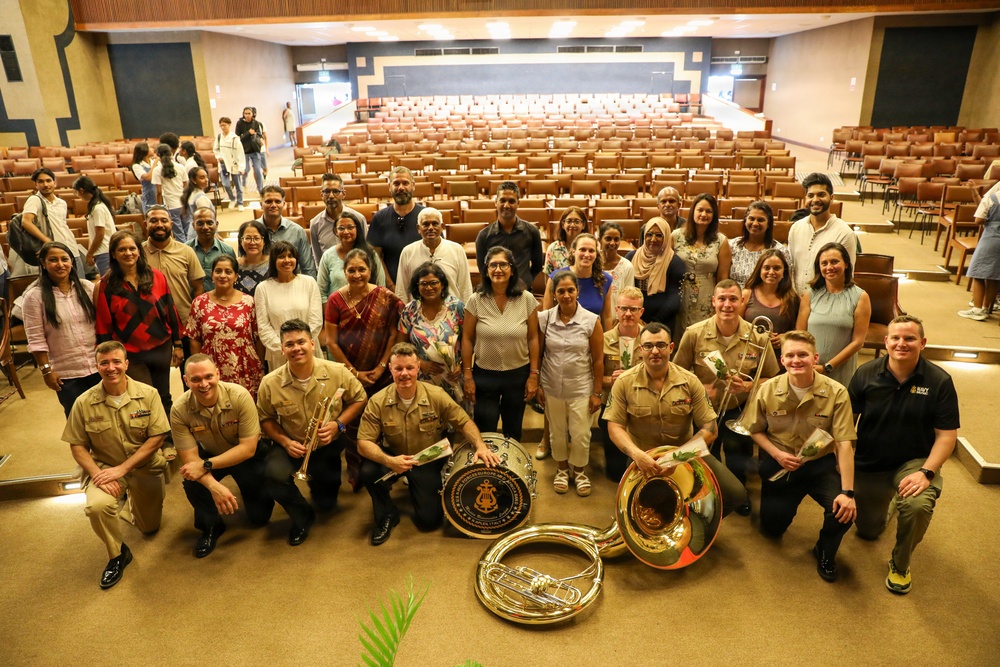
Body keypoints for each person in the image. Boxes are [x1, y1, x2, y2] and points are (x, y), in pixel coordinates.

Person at [849, 315, 960, 594]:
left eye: (910, 338)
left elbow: (946, 436)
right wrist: (845, 460)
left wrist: (926, 472)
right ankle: (890, 502)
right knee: (867, 531)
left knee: (917, 504)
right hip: (871, 460)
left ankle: (900, 564)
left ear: (922, 343)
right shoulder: (865, 374)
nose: (902, 343)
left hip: (915, 462)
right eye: (896, 338)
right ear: (886, 341)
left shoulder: (939, 381)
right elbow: (847, 424)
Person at [357, 342, 500, 545]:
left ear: (418, 367)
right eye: (398, 368)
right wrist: (389, 461)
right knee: (369, 471)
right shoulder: (378, 401)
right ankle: (387, 514)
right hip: (393, 456)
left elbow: (464, 422)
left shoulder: (436, 395)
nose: (404, 373)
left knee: (429, 521)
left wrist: (481, 446)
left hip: (426, 458)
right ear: (390, 369)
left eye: (409, 368)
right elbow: (363, 443)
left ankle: (420, 491)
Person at [745, 330, 857, 582]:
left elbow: (844, 443)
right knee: (772, 529)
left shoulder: (837, 392)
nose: (796, 360)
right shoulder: (767, 389)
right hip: (780, 462)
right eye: (790, 355)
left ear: (815, 358)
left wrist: (848, 492)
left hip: (819, 464)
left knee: (843, 511)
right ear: (782, 360)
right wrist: (777, 454)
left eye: (803, 355)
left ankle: (825, 551)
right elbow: (755, 430)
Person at [603, 322, 748, 516]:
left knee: (736, 493)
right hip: (645, 457)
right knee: (648, 511)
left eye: (661, 345)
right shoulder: (624, 382)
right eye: (648, 346)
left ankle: (692, 520)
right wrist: (637, 455)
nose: (655, 351)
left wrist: (678, 457)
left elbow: (710, 429)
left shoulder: (690, 381)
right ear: (640, 349)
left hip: (685, 452)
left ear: (671, 347)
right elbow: (615, 427)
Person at [62, 341, 169, 589]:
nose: (111, 368)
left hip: (144, 468)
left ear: (126, 364)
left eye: (116, 362)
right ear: (96, 366)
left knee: (149, 528)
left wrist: (124, 469)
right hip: (106, 469)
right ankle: (117, 554)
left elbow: (157, 438)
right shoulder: (83, 402)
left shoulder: (148, 394)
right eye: (104, 363)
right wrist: (97, 474)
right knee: (96, 507)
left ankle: (128, 506)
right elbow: (77, 446)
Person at [257, 319, 367, 546]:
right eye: (289, 344)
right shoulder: (270, 382)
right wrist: (285, 442)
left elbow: (360, 398)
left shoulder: (337, 371)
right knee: (272, 475)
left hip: (326, 445)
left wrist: (338, 425)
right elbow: (266, 419)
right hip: (291, 444)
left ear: (312, 343)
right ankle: (302, 516)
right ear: (282, 349)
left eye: (301, 342)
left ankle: (320, 490)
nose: (296, 348)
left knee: (327, 503)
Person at [673, 280, 780, 511]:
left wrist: (748, 386)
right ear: (713, 301)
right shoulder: (694, 333)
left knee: (738, 456)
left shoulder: (758, 336)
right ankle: (705, 496)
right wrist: (698, 388)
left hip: (739, 408)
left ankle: (738, 495)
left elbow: (773, 379)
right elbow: (676, 375)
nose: (727, 305)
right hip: (703, 409)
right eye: (722, 299)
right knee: (704, 456)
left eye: (733, 299)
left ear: (742, 302)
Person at [171, 354, 273, 558]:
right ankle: (211, 526)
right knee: (191, 481)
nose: (204, 384)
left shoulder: (239, 396)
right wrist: (214, 486)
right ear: (186, 380)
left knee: (260, 518)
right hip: (209, 452)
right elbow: (190, 459)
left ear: (218, 374)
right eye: (196, 379)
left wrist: (206, 465)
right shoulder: (179, 410)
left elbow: (248, 448)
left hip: (245, 455)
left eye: (208, 376)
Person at [324, 249, 404, 484]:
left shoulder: (385, 297)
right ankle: (356, 472)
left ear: (371, 271)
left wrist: (381, 367)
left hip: (383, 373)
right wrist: (354, 373)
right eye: (351, 270)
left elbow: (394, 334)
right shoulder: (335, 300)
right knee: (353, 422)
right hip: (349, 372)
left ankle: (388, 470)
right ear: (344, 272)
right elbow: (331, 342)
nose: (357, 274)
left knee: (385, 419)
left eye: (362, 269)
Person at [95, 229, 183, 420]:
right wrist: (106, 355)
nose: (128, 253)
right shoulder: (106, 285)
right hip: (130, 353)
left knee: (163, 396)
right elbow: (103, 322)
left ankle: (168, 435)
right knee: (142, 399)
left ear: (139, 251)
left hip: (161, 347)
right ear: (113, 254)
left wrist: (177, 343)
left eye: (132, 248)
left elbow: (170, 310)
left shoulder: (156, 276)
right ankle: (149, 434)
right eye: (122, 249)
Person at [462, 246, 540, 443]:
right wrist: (468, 376)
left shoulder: (526, 299)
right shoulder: (476, 300)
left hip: (518, 374)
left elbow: (533, 338)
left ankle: (510, 462)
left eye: (503, 265)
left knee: (513, 429)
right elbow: (467, 339)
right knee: (485, 428)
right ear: (486, 270)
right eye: (493, 265)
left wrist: (533, 374)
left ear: (512, 270)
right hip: (485, 374)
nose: (498, 269)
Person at [538, 270, 604, 496]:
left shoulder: (591, 320)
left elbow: (598, 360)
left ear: (577, 292)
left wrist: (597, 393)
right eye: (561, 291)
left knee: (581, 433)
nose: (566, 295)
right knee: (557, 432)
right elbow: (538, 354)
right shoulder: (544, 318)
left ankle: (580, 471)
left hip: (581, 387)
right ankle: (562, 469)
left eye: (570, 290)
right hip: (551, 386)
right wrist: (538, 384)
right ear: (554, 294)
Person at [23, 242, 100, 417]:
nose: (60, 264)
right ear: (43, 263)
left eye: (64, 259)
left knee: (106, 417)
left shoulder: (87, 287)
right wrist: (46, 371)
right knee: (78, 420)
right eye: (53, 260)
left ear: (72, 262)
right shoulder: (34, 297)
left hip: (98, 367)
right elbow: (36, 338)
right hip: (67, 373)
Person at [185, 255, 265, 398]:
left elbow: (258, 337)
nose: (223, 276)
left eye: (228, 272)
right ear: (212, 275)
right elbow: (194, 339)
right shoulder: (199, 303)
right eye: (218, 271)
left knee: (244, 404)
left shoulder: (249, 302)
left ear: (236, 277)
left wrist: (259, 364)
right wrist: (199, 367)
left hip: (245, 365)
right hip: (211, 365)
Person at [797, 242, 871, 387]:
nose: (829, 267)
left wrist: (828, 367)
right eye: (824, 263)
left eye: (834, 262)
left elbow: (858, 342)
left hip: (840, 369)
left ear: (846, 264)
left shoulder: (860, 297)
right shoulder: (810, 295)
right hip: (810, 368)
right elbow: (800, 334)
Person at [141, 205, 205, 361]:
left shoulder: (186, 251)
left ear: (171, 223)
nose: (159, 225)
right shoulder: (138, 253)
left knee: (189, 370)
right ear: (145, 224)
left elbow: (198, 288)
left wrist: (196, 320)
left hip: (185, 322)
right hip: (150, 325)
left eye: (164, 220)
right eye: (154, 221)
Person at [397, 261, 466, 403]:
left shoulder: (456, 306)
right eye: (423, 284)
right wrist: (419, 362)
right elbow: (400, 346)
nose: (429, 287)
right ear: (417, 286)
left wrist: (462, 365)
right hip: (422, 378)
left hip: (454, 377)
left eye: (433, 283)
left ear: (442, 284)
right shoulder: (410, 310)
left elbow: (469, 339)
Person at [598, 286, 644, 482]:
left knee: (642, 471)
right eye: (624, 308)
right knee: (615, 474)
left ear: (641, 312)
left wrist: (634, 378)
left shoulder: (651, 339)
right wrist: (610, 380)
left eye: (633, 309)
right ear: (616, 310)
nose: (628, 314)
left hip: (642, 408)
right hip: (612, 407)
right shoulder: (603, 339)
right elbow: (592, 378)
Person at [255, 240, 323, 372]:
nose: (287, 260)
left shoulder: (309, 282)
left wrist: (301, 346)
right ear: (273, 261)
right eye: (281, 257)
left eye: (290, 256)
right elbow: (263, 327)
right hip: (279, 353)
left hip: (307, 350)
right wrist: (284, 348)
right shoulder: (263, 288)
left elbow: (316, 321)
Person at [788, 173, 857, 295]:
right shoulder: (796, 228)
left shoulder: (844, 233)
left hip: (826, 301)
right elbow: (791, 267)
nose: (815, 200)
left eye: (821, 195)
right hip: (796, 300)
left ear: (831, 198)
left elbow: (846, 277)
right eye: (810, 195)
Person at [672, 193, 732, 330]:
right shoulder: (676, 236)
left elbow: (723, 277)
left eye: (709, 211)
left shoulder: (721, 241)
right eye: (700, 210)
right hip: (680, 293)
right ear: (693, 212)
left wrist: (721, 301)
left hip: (707, 294)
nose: (704, 214)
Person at [395, 207, 473, 304]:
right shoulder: (408, 252)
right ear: (418, 228)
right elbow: (401, 290)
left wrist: (466, 311)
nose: (430, 228)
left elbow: (465, 288)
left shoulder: (457, 250)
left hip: (452, 310)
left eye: (435, 224)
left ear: (442, 226)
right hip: (418, 311)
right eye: (426, 224)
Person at [474, 181, 544, 289]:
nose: (506, 205)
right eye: (502, 200)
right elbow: (483, 269)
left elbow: (537, 265)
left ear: (518, 203)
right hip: (494, 292)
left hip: (523, 291)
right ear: (496, 202)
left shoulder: (532, 232)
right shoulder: (483, 236)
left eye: (511, 201)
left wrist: (525, 281)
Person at [17, 168, 85, 277]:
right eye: (41, 181)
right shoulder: (35, 200)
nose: (45, 184)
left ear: (54, 182)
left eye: (48, 181)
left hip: (71, 248)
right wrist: (46, 240)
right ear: (35, 184)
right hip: (54, 252)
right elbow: (26, 222)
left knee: (79, 282)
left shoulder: (61, 203)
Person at [367, 166, 423, 291]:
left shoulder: (425, 216)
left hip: (424, 288)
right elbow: (376, 256)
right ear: (389, 187)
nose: (401, 188)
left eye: (405, 183)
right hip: (390, 288)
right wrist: (391, 286)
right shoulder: (379, 218)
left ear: (413, 185)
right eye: (396, 183)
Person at [739, 248, 801, 351]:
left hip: (781, 356)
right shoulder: (746, 294)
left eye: (777, 268)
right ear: (759, 270)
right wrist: (758, 335)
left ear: (784, 272)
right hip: (749, 354)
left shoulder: (793, 298)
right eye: (766, 268)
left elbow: (799, 330)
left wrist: (785, 337)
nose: (771, 272)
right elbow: (736, 325)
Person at [630, 216, 685, 329]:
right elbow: (624, 290)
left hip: (662, 323)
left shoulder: (674, 262)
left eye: (659, 235)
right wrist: (636, 318)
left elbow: (674, 299)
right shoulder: (631, 257)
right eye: (649, 234)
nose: (653, 239)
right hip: (632, 319)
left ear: (666, 237)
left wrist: (654, 322)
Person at [317, 211, 384, 302]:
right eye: (341, 228)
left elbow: (381, 287)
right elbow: (321, 292)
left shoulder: (370, 254)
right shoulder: (328, 255)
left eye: (350, 227)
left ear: (357, 229)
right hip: (337, 307)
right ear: (336, 231)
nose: (346, 232)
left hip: (367, 307)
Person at [957, 181, 1000, 321]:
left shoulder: (991, 198)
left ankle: (977, 308)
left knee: (978, 273)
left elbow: (978, 220)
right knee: (994, 276)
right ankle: (986, 308)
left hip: (991, 239)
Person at [728, 201, 793, 288]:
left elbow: (786, 283)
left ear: (769, 224)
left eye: (760, 220)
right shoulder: (732, 245)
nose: (755, 223)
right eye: (751, 219)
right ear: (745, 221)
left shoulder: (780, 251)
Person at [309, 173, 368, 265]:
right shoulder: (315, 224)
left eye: (335, 191)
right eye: (327, 191)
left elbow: (366, 250)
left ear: (343, 194)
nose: (331, 196)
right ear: (321, 195)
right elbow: (318, 259)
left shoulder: (359, 219)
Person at [258, 185, 316, 277]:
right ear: (261, 204)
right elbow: (243, 263)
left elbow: (308, 268)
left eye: (277, 201)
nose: (273, 205)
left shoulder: (297, 231)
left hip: (292, 282)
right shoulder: (251, 232)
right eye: (268, 201)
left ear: (284, 204)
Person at [74, 175, 116, 276]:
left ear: (81, 190)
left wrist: (89, 254)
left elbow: (100, 235)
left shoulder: (98, 208)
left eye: (76, 192)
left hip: (104, 251)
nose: (77, 195)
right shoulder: (97, 206)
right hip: (103, 251)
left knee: (107, 281)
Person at [187, 207, 236, 292]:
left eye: (209, 223)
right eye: (200, 223)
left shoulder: (227, 251)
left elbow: (233, 278)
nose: (205, 227)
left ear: (216, 224)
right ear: (193, 226)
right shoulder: (185, 250)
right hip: (191, 298)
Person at [151, 143, 189, 242]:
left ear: (158, 155)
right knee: (188, 231)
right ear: (171, 153)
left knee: (179, 234)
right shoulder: (180, 167)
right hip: (184, 203)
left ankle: (184, 249)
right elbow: (186, 186)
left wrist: (159, 206)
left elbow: (159, 192)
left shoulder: (157, 170)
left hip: (171, 205)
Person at [599, 221, 635, 320]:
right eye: (608, 239)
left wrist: (619, 320)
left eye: (616, 239)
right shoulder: (592, 263)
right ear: (600, 240)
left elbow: (628, 298)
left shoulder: (627, 266)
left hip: (618, 320)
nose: (612, 243)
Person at [543, 206, 590, 275]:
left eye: (577, 222)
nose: (572, 225)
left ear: (583, 225)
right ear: (563, 224)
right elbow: (547, 275)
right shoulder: (553, 248)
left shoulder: (590, 246)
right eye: (569, 221)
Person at [213, 116, 245, 211]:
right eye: (221, 125)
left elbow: (240, 153)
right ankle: (232, 198)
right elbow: (216, 149)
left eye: (224, 125)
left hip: (234, 164)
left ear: (229, 125)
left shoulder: (235, 138)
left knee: (238, 185)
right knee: (226, 184)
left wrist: (241, 167)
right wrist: (218, 156)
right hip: (223, 165)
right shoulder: (219, 137)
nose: (223, 127)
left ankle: (240, 203)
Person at [235, 219, 270, 295]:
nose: (252, 242)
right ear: (240, 241)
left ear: (264, 241)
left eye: (257, 238)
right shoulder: (234, 265)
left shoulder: (273, 264)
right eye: (247, 238)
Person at [235, 106, 265, 192]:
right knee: (245, 169)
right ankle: (243, 182)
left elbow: (259, 135)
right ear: (243, 114)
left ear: (252, 114)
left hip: (255, 150)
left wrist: (259, 138)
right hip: (244, 151)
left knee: (257, 170)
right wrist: (248, 133)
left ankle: (260, 188)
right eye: (246, 113)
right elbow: (238, 137)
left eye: (249, 113)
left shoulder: (256, 123)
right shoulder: (239, 123)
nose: (247, 115)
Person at [131, 142, 158, 212]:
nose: (152, 149)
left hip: (159, 194)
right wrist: (155, 164)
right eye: (149, 148)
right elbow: (148, 178)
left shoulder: (153, 161)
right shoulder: (137, 165)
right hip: (149, 195)